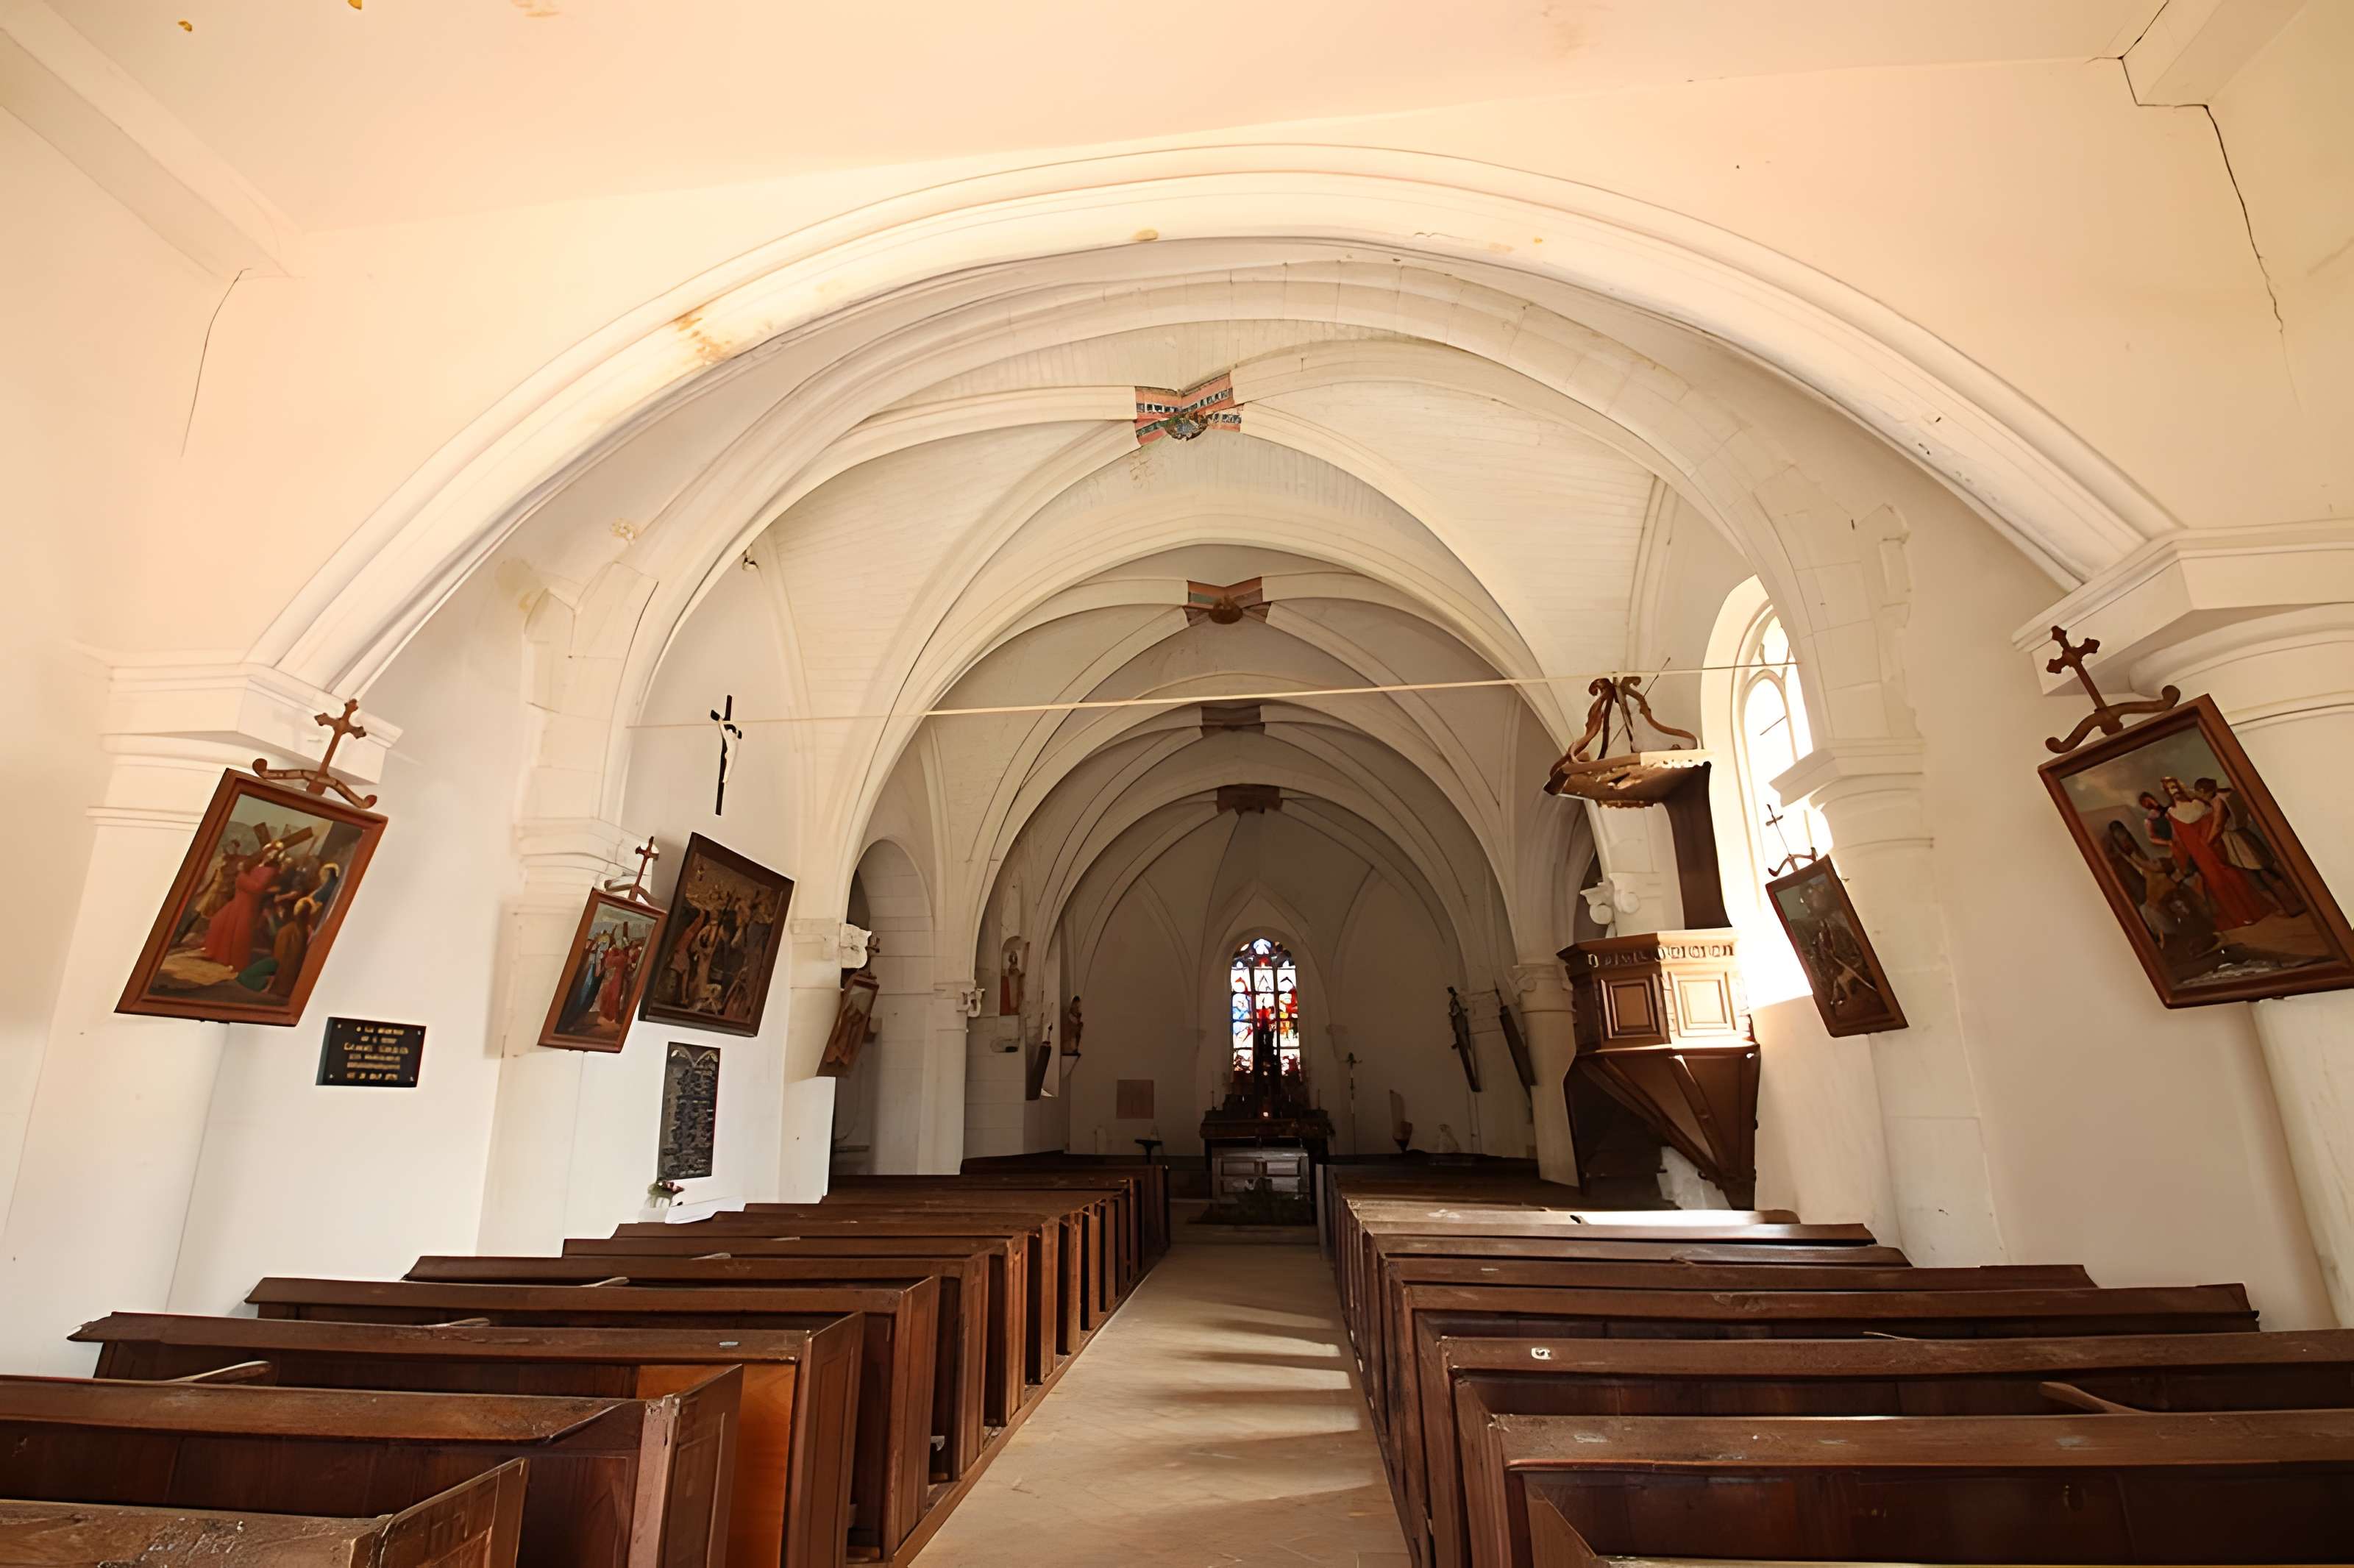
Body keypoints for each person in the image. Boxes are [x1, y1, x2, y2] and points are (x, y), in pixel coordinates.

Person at [2162, 774, 2266, 929]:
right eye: (2170, 788)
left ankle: (2253, 911)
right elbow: (2178, 839)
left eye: (2175, 786)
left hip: (2215, 846)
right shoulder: (2171, 813)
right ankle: (2239, 916)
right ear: (2167, 792)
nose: (2174, 790)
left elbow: (2217, 824)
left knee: (2232, 876)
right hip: (2200, 855)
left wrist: (2212, 842)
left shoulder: (2199, 804)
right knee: (2218, 883)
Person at [2196, 777, 2302, 916]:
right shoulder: (2228, 794)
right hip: (2245, 835)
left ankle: (2285, 908)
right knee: (2269, 869)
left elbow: (2218, 825)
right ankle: (2297, 900)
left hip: (2237, 840)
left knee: (2256, 875)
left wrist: (2209, 843)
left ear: (2203, 791)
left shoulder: (2218, 801)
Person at [202, 841, 285, 969]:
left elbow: (258, 887)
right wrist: (241, 878)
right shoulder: (256, 864)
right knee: (218, 921)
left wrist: (241, 878)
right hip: (238, 900)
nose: (272, 856)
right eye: (271, 852)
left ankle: (235, 962)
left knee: (239, 933)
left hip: (248, 904)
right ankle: (215, 952)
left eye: (275, 854)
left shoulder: (271, 870)